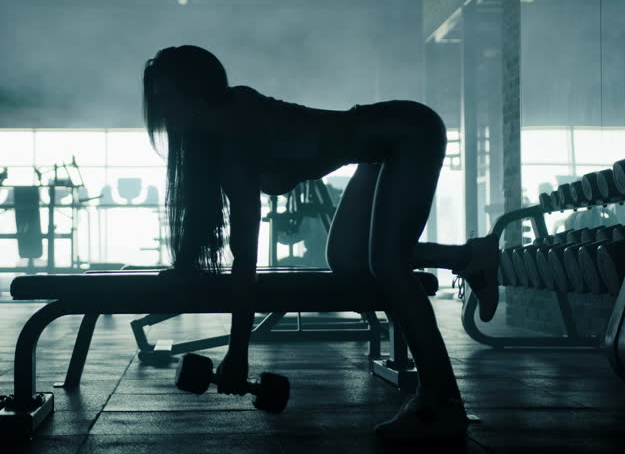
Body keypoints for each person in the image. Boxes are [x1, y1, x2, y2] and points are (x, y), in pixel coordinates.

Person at [143, 45, 498, 440]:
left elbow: (246, 256)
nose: (159, 109)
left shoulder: (235, 129)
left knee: (388, 264)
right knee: (346, 259)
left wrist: (238, 351)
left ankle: (442, 401)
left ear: (194, 93)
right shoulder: (219, 130)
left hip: (410, 132)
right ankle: (468, 257)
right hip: (382, 148)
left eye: (165, 96)